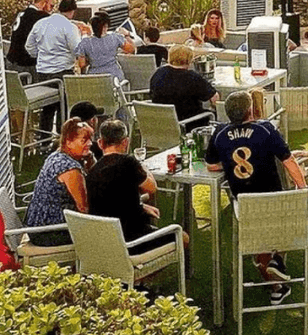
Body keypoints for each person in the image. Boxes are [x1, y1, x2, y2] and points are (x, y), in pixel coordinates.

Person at [205, 91, 308, 305]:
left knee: (258, 235)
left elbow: (211, 165)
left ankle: (275, 287)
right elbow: (288, 161)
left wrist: (230, 162)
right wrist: (303, 188)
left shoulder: (219, 133)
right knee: (291, 216)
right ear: (251, 110)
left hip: (244, 206)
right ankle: (276, 259)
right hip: (273, 202)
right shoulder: (266, 129)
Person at [86, 119, 187, 253]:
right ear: (125, 142)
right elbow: (152, 188)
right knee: (183, 237)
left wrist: (141, 206)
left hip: (105, 241)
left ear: (100, 143)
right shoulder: (128, 163)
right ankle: (145, 272)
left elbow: (114, 200)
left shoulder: (93, 171)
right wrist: (142, 165)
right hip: (133, 240)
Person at [25, 117, 93, 246]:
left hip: (36, 225)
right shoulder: (71, 169)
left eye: (90, 139)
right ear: (68, 142)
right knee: (104, 231)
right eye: (84, 140)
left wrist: (90, 158)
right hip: (50, 232)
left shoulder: (56, 155)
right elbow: (84, 209)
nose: (90, 143)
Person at [26, 0, 82, 134]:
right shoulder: (69, 27)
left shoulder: (40, 23)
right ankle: (62, 136)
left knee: (48, 107)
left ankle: (43, 138)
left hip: (42, 72)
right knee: (64, 105)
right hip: (62, 72)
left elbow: (29, 46)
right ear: (72, 11)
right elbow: (77, 49)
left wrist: (40, 57)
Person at [149, 45, 219, 131]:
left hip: (160, 123)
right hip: (188, 124)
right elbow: (215, 98)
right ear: (189, 61)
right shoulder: (192, 77)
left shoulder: (158, 73)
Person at [6, 0, 54, 76]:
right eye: (51, 6)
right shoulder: (39, 16)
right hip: (25, 63)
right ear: (44, 4)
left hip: (11, 60)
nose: (51, 10)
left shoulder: (22, 13)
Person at [75, 14, 135, 82]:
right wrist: (127, 35)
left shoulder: (85, 42)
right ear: (105, 26)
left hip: (95, 80)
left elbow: (82, 64)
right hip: (115, 78)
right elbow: (131, 49)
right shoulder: (115, 37)